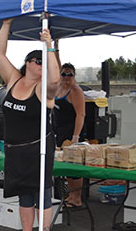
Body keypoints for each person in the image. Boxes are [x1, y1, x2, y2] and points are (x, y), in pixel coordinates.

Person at [0, 18, 60, 231]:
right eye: (37, 60)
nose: (41, 64)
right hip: (16, 150)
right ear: (28, 63)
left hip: (38, 149)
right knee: (24, 194)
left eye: (44, 61)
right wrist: (6, 25)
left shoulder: (43, 89)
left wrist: (49, 47)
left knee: (41, 192)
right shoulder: (14, 79)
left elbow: (55, 82)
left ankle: (44, 229)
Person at [52, 40, 86, 208]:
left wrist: (75, 137)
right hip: (60, 131)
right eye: (64, 74)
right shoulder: (59, 87)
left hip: (73, 131)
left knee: (74, 168)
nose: (66, 77)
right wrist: (55, 47)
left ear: (74, 76)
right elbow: (58, 65)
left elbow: (81, 114)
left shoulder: (76, 91)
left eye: (70, 75)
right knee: (65, 165)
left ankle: (77, 198)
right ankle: (70, 196)